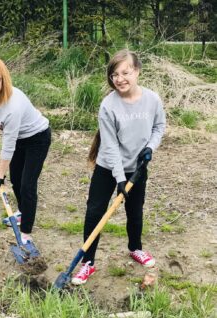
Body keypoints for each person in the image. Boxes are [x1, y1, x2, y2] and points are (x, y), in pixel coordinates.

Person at [71, 49, 166, 285]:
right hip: (108, 166)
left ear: (137, 71)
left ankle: (135, 248)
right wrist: (119, 178)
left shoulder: (152, 99)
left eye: (126, 72)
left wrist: (150, 148)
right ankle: (88, 263)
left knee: (135, 210)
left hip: (138, 166)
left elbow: (159, 126)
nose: (120, 78)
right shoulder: (108, 105)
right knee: (95, 212)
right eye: (115, 74)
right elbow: (110, 145)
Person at [0, 56, 51, 244]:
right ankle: (22, 213)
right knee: (16, 179)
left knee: (27, 186)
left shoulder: (13, 106)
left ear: (4, 80)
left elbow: (8, 146)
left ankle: (25, 234)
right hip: (20, 139)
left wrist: (0, 176)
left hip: (37, 139)